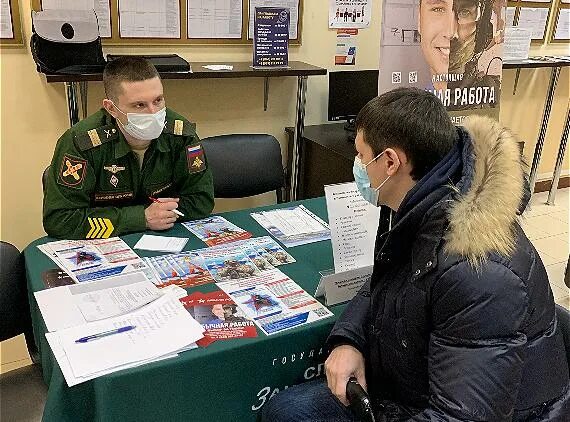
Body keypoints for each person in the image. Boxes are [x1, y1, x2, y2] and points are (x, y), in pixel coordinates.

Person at [261, 88, 569, 421]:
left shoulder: (477, 271)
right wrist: (349, 339)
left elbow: (463, 416)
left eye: (362, 156)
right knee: (286, 409)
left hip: (453, 409)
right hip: (416, 383)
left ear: (391, 162)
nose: (359, 167)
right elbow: (384, 283)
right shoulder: (423, 205)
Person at [43, 57, 214, 239]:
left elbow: (201, 200)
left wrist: (162, 214)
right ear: (111, 108)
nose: (153, 113)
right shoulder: (81, 143)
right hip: (106, 241)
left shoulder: (180, 134)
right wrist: (140, 218)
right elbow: (59, 220)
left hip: (165, 237)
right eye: (139, 105)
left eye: (158, 100)